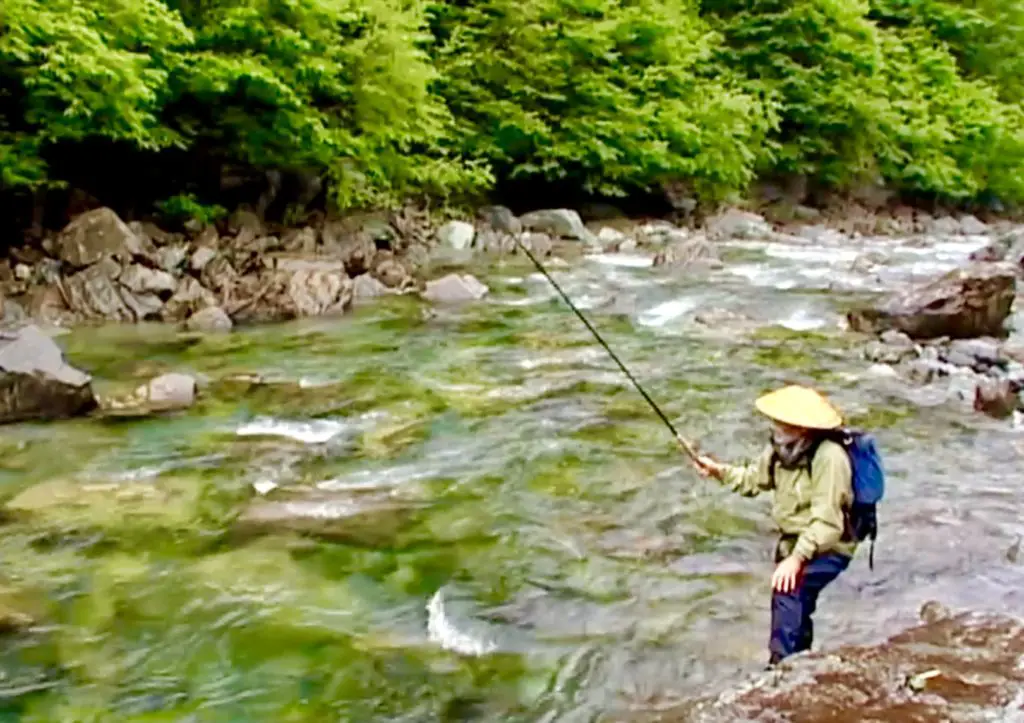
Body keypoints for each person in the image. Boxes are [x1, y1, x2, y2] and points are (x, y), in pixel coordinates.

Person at [690, 384, 857, 666]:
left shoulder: (830, 457)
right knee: (796, 606)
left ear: (802, 427)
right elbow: (754, 481)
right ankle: (801, 665)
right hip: (794, 541)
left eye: (783, 422)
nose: (776, 425)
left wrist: (796, 558)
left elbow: (829, 524)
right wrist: (718, 471)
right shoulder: (781, 449)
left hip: (830, 545)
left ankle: (780, 669)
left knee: (788, 591)